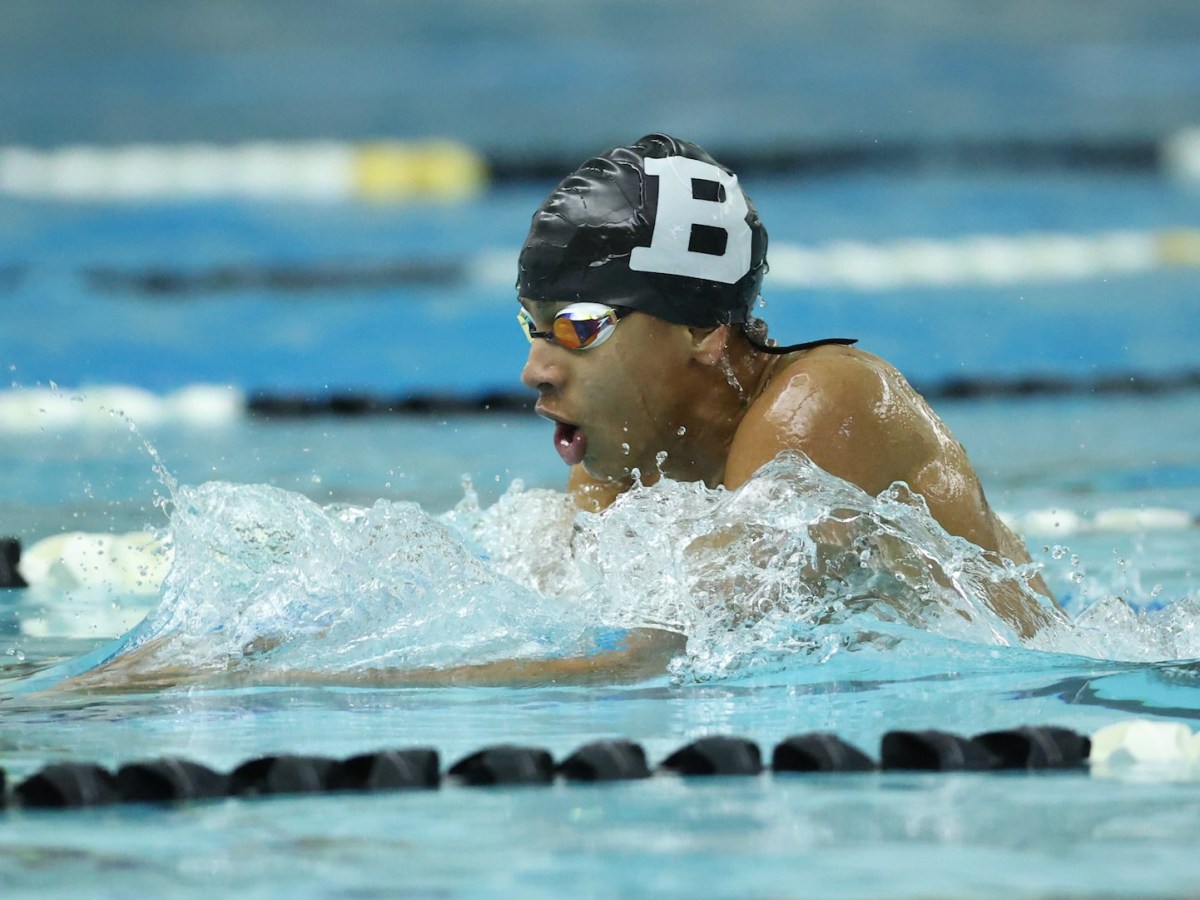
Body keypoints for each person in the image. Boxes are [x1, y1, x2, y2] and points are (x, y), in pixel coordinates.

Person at [61, 133, 1057, 694]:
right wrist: (236, 643)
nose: (535, 370)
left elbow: (654, 653)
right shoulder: (634, 463)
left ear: (705, 333)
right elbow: (522, 605)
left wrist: (291, 696)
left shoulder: (827, 403)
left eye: (580, 326)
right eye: (531, 324)